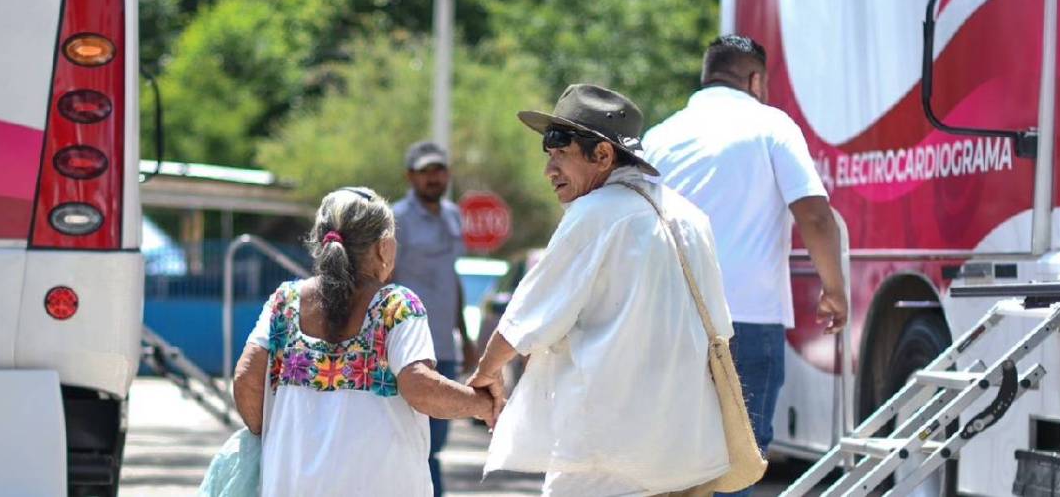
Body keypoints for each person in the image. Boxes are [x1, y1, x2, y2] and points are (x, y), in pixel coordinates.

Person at [469, 84, 735, 496]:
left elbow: (528, 319)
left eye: (560, 153)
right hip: (684, 454)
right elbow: (720, 329)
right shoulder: (692, 218)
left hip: (606, 457)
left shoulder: (594, 213)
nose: (549, 170)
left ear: (604, 155)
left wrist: (486, 373)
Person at [643, 34, 848, 496]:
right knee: (740, 463)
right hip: (747, 321)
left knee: (673, 462)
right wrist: (835, 288)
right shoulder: (771, 125)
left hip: (669, 322)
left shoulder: (660, 136)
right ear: (755, 79)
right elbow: (814, 214)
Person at [232, 187, 494, 497]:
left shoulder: (284, 303)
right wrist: (485, 404)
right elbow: (420, 388)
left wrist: (283, 439)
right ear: (384, 247)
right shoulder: (398, 306)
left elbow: (246, 381)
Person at [391, 141, 477, 496]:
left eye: (439, 170)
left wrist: (466, 335)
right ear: (411, 176)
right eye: (425, 171)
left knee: (434, 445)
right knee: (408, 445)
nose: (433, 178)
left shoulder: (454, 215)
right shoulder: (395, 219)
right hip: (406, 348)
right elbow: (383, 278)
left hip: (444, 345)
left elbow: (450, 277)